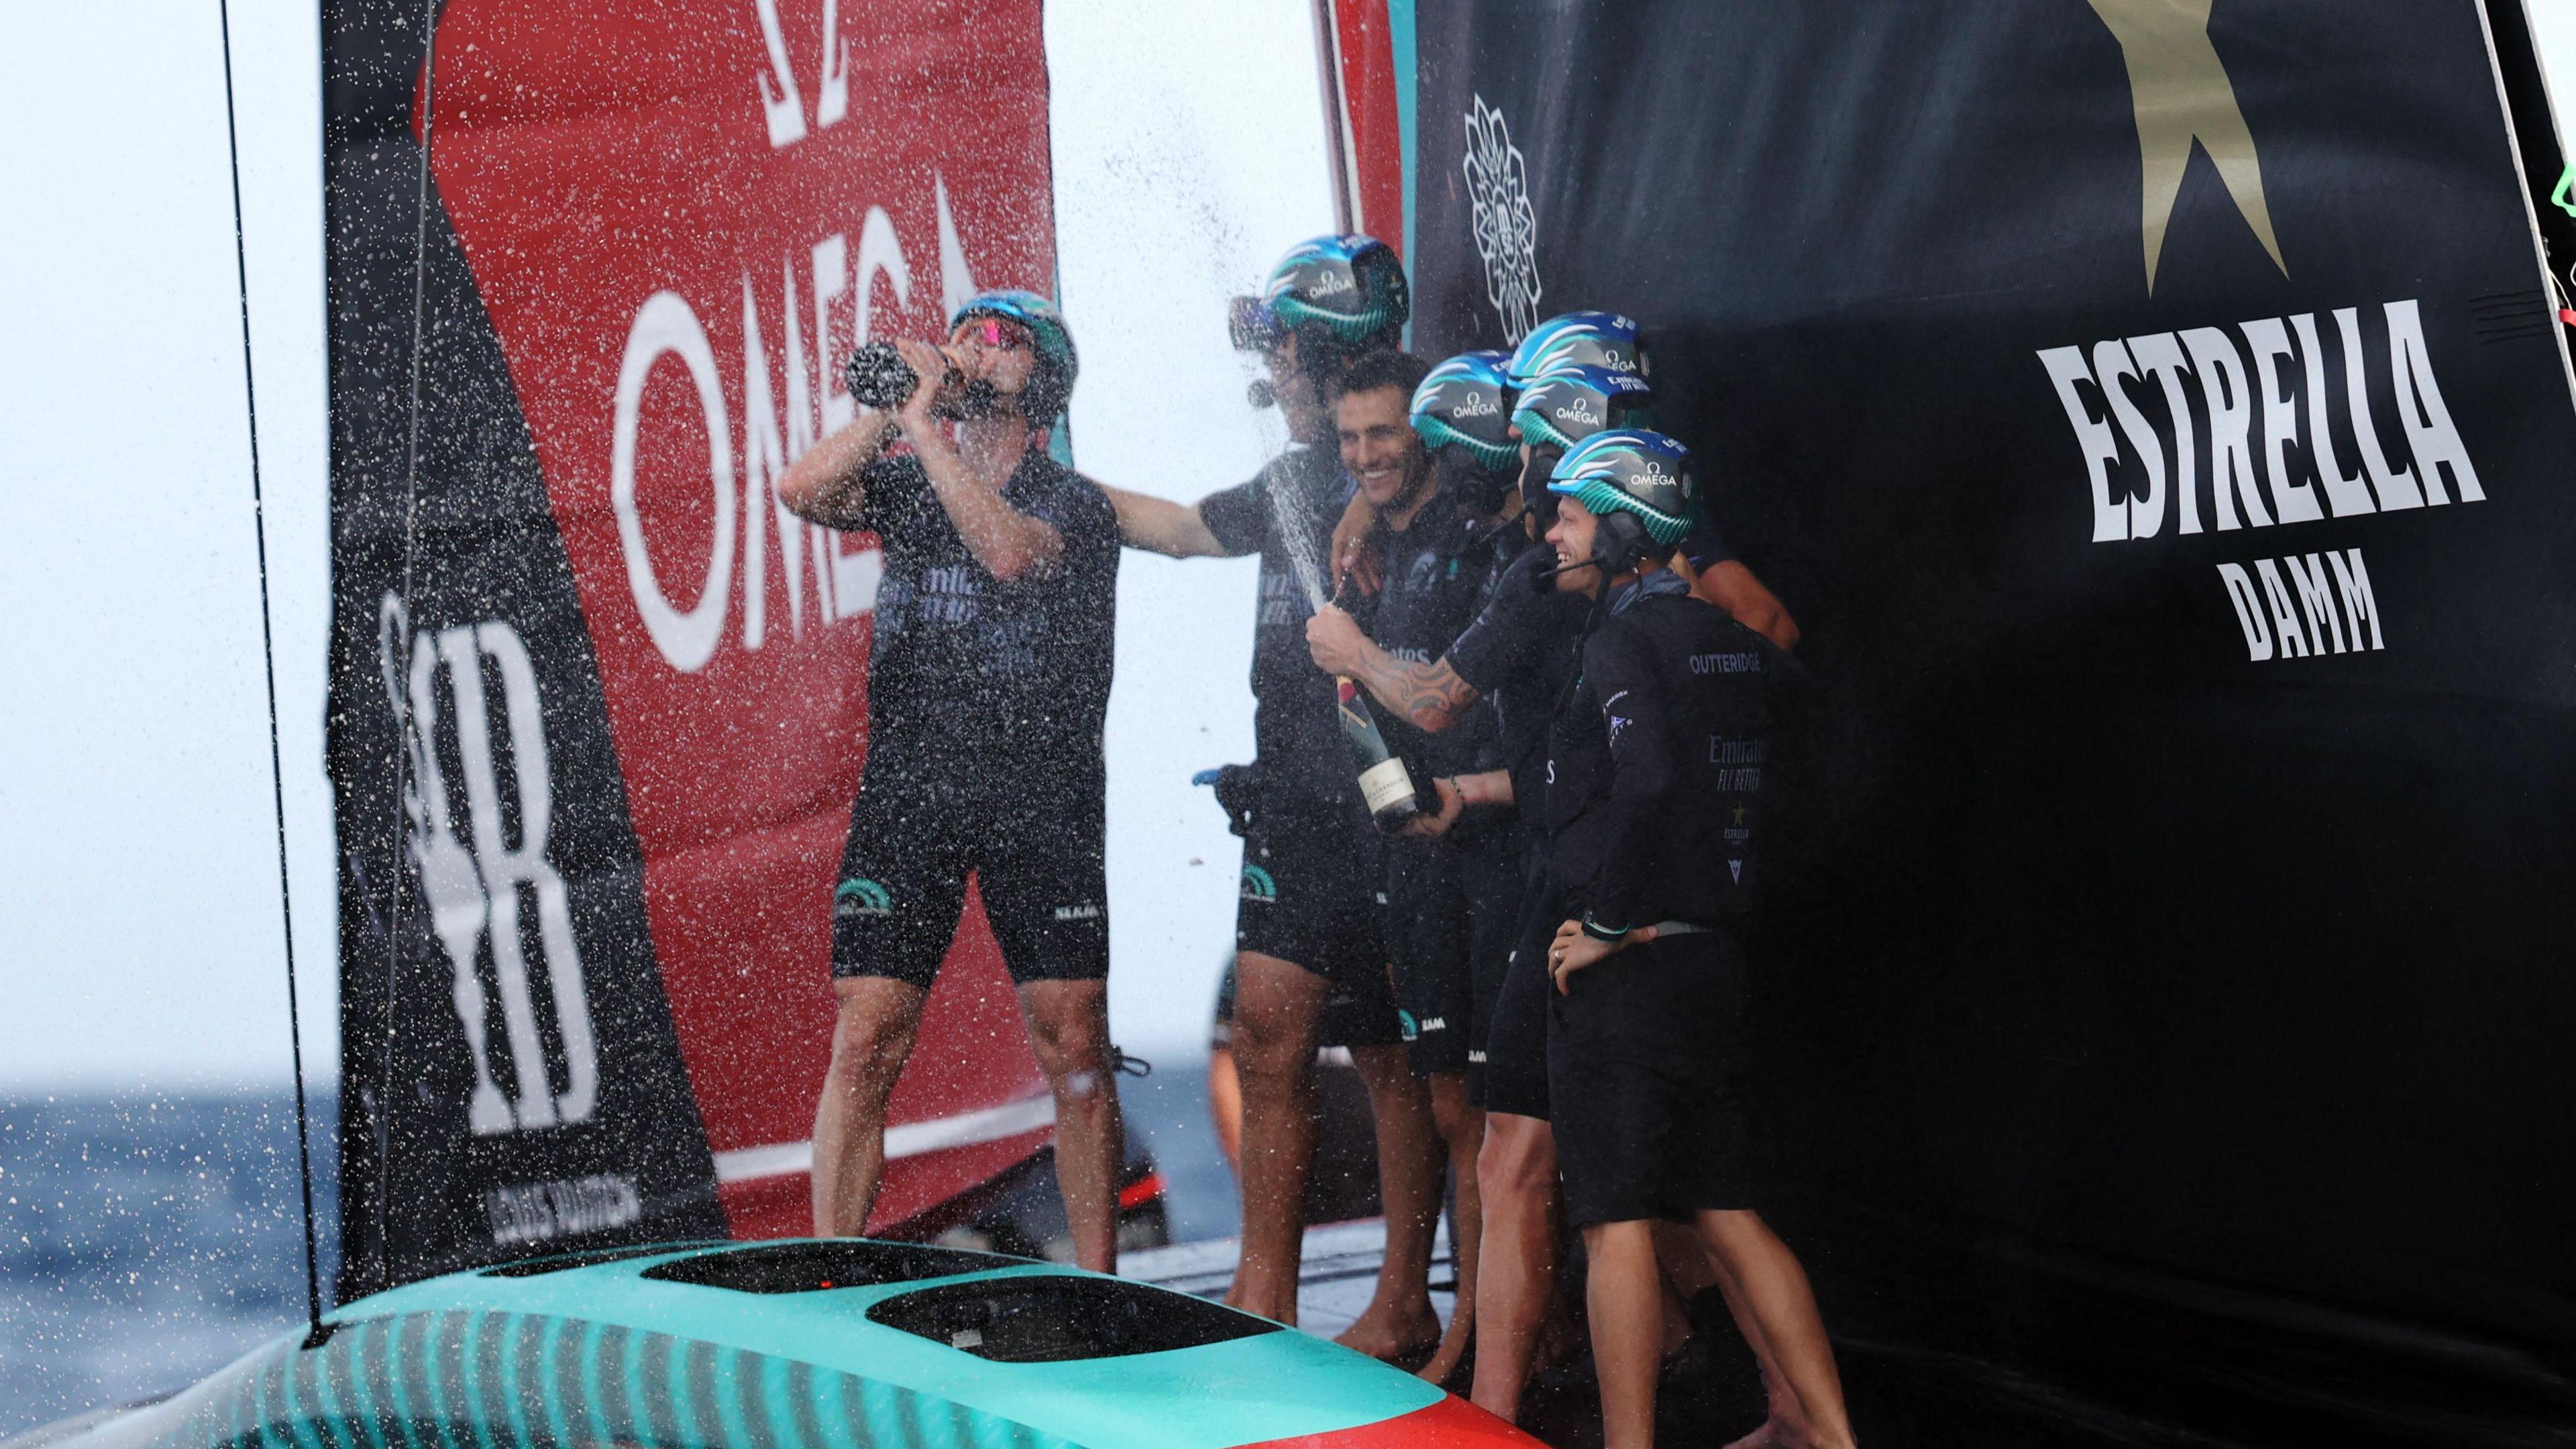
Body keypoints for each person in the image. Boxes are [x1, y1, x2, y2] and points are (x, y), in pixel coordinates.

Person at [1099, 235, 1448, 1355]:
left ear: (1336, 359)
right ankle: (1264, 1304)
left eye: (1285, 359)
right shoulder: (1295, 477)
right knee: (1266, 1033)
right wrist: (1060, 493)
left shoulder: (1408, 469)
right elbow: (1190, 530)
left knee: (1399, 1061)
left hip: (1397, 808)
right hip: (1291, 806)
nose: (1270, 381)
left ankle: (1404, 1304)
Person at [777, 291, 1128, 1273]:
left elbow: (1009, 552)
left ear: (1044, 384)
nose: (977, 345)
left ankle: (1101, 1287)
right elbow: (801, 490)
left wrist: (926, 431)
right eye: (968, 331)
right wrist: (896, 410)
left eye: (1005, 341)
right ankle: (831, 1274)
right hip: (912, 789)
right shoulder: (909, 474)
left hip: (1041, 797)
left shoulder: (1073, 504)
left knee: (1073, 1045)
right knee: (868, 1033)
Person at [1538, 429, 1856, 1449]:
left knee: (1617, 1223)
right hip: (1717, 963)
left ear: (1624, 528)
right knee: (1726, 1209)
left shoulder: (1619, 639)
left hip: (1636, 974)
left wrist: (1606, 926)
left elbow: (1651, 781)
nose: (1551, 535)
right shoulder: (1725, 633)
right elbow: (1805, 727)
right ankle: (1836, 1438)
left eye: (1572, 517)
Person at [1323, 347, 1515, 1384]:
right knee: (1453, 1112)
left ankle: (1482, 1344)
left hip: (1490, 857)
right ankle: (1483, 1333)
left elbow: (1446, 699)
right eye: (1350, 438)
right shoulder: (1382, 538)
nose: (1365, 456)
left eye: (1384, 434)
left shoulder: (1474, 539)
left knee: (1490, 1119)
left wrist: (1351, 652)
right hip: (1419, 866)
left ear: (1426, 433)